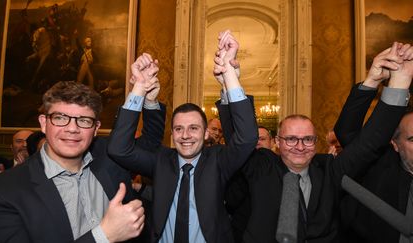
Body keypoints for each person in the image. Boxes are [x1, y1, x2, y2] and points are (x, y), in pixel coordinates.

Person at [226, 42, 412, 243]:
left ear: (315, 142)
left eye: (307, 139)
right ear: (277, 142)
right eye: (291, 139)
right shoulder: (261, 165)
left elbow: (370, 143)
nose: (299, 146)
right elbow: (241, 137)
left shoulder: (330, 171)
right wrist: (230, 80)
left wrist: (400, 82)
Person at [108, 30, 258, 243]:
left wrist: (229, 75)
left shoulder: (218, 161)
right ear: (172, 134)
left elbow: (247, 138)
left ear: (206, 133)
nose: (185, 135)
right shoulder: (162, 161)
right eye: (178, 129)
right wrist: (139, 87)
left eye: (194, 128)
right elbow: (118, 149)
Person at [0, 79, 166, 242]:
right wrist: (104, 236)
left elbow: (148, 142)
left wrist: (147, 97)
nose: (72, 129)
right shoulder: (1, 192)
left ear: (95, 128)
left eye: (84, 120)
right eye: (61, 118)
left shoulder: (109, 159)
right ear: (44, 123)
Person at [336, 43, 413, 243]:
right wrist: (372, 81)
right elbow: (348, 132)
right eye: (412, 139)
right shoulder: (378, 167)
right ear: (394, 144)